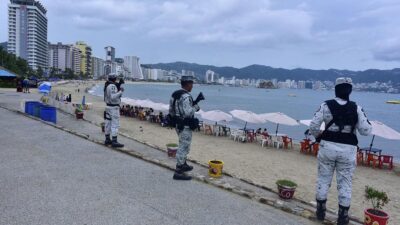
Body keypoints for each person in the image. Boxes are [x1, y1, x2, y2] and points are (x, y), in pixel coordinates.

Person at [309, 77, 372, 225]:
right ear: (350, 90)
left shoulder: (325, 105)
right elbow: (365, 130)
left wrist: (319, 137)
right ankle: (343, 216)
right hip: (348, 150)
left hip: (327, 147)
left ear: (335, 90)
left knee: (323, 179)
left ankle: (320, 211)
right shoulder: (356, 108)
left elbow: (313, 126)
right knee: (345, 183)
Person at [169, 76, 203, 180]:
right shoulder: (186, 96)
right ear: (187, 84)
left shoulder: (175, 94)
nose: (192, 86)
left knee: (183, 145)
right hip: (185, 125)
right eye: (191, 84)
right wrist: (196, 107)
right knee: (183, 147)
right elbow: (188, 112)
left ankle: (183, 164)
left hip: (177, 124)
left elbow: (171, 110)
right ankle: (178, 171)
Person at [104, 73, 124, 148]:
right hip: (113, 108)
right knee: (115, 124)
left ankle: (107, 139)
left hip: (108, 106)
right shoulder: (112, 86)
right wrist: (120, 91)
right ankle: (114, 141)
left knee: (108, 123)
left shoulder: (107, 85)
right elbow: (113, 97)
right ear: (114, 78)